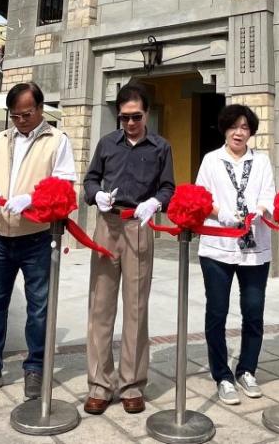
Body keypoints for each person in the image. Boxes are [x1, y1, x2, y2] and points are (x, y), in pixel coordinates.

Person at [0, 82, 77, 401]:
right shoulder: (1, 139)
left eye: (27, 113)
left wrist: (32, 198)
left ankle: (35, 367)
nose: (21, 120)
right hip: (0, 234)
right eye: (15, 115)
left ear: (39, 109)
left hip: (37, 236)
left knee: (39, 307)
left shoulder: (57, 140)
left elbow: (66, 185)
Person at [81, 81, 175, 416]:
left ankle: (132, 383)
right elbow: (90, 180)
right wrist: (97, 195)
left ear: (146, 113)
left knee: (136, 307)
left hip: (138, 225)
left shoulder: (160, 147)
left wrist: (155, 202)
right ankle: (99, 384)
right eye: (124, 118)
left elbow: (168, 187)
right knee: (101, 306)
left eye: (135, 116)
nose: (130, 123)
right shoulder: (107, 143)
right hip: (107, 225)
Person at [195, 104, 275, 406]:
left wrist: (261, 210)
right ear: (225, 129)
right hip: (218, 246)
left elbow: (268, 194)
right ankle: (222, 375)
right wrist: (223, 214)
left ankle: (247, 370)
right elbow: (202, 197)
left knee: (253, 311)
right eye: (233, 127)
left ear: (251, 131)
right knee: (217, 312)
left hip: (255, 248)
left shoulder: (262, 161)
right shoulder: (211, 160)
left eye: (244, 127)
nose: (239, 132)